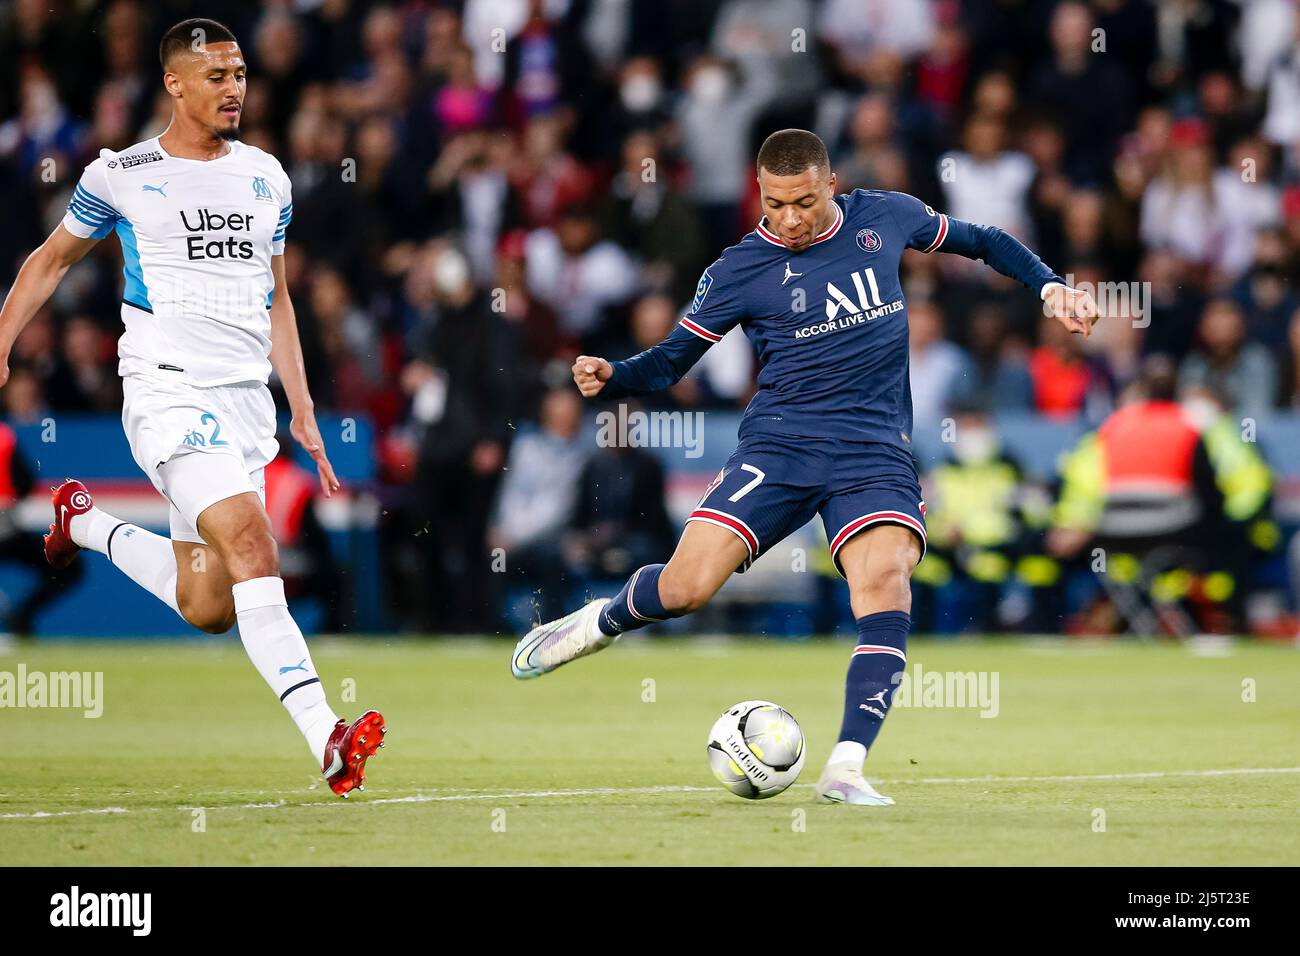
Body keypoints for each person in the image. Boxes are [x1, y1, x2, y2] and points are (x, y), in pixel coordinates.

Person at [510, 129, 1097, 806]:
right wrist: (613, 375)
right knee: (687, 588)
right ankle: (595, 623)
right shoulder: (738, 268)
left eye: (802, 202)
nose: (786, 218)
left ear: (831, 186)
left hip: (873, 449)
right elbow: (672, 360)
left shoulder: (888, 216)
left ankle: (846, 767)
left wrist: (1050, 288)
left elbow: (986, 240)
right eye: (773, 202)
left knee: (884, 582)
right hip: (779, 446)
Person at [0, 19, 384, 797]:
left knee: (208, 602)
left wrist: (302, 404)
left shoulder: (267, 176)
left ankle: (87, 523)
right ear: (175, 83)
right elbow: (49, 261)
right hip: (166, 388)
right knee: (252, 540)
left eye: (240, 73)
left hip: (246, 402)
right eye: (216, 76)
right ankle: (327, 736)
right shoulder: (123, 173)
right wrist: (2, 340)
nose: (235, 87)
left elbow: (276, 297)